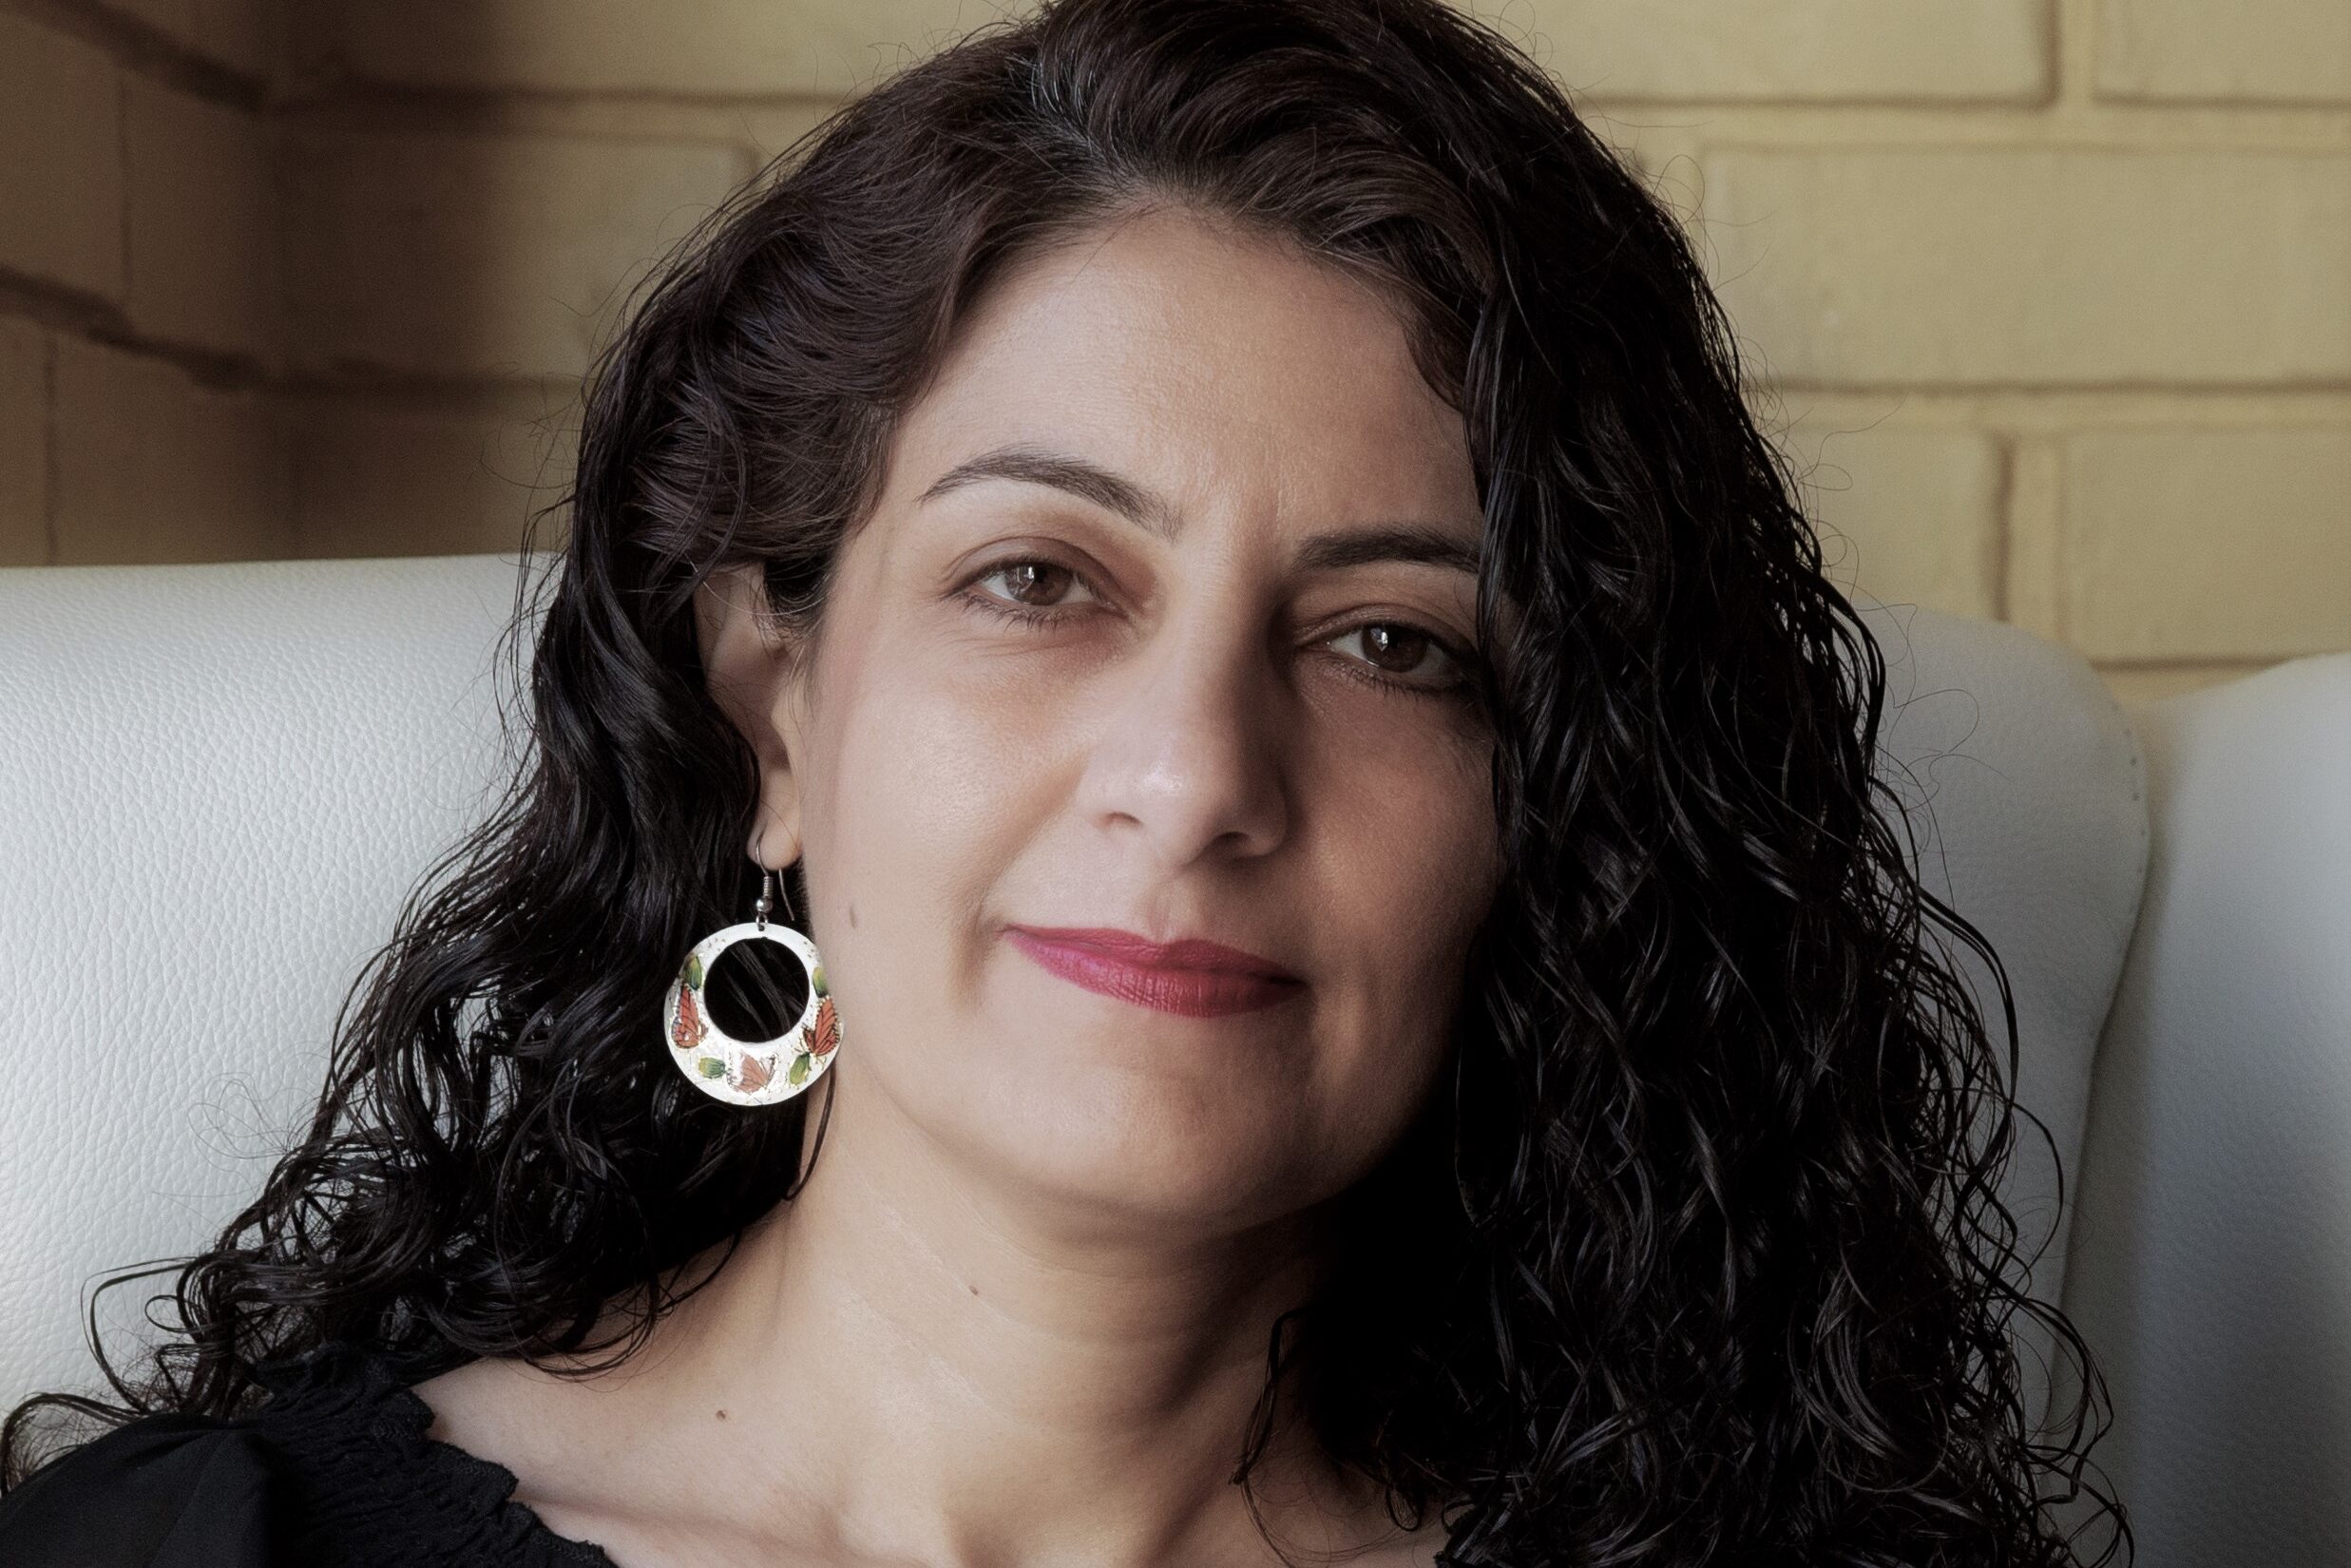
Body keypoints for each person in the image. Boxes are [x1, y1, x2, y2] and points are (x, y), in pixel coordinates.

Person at [0, 0, 2130, 1563]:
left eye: (1394, 642)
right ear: (776, 710)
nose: (1197, 775)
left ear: (1550, 818)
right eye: (1039, 578)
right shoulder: (195, 1548)